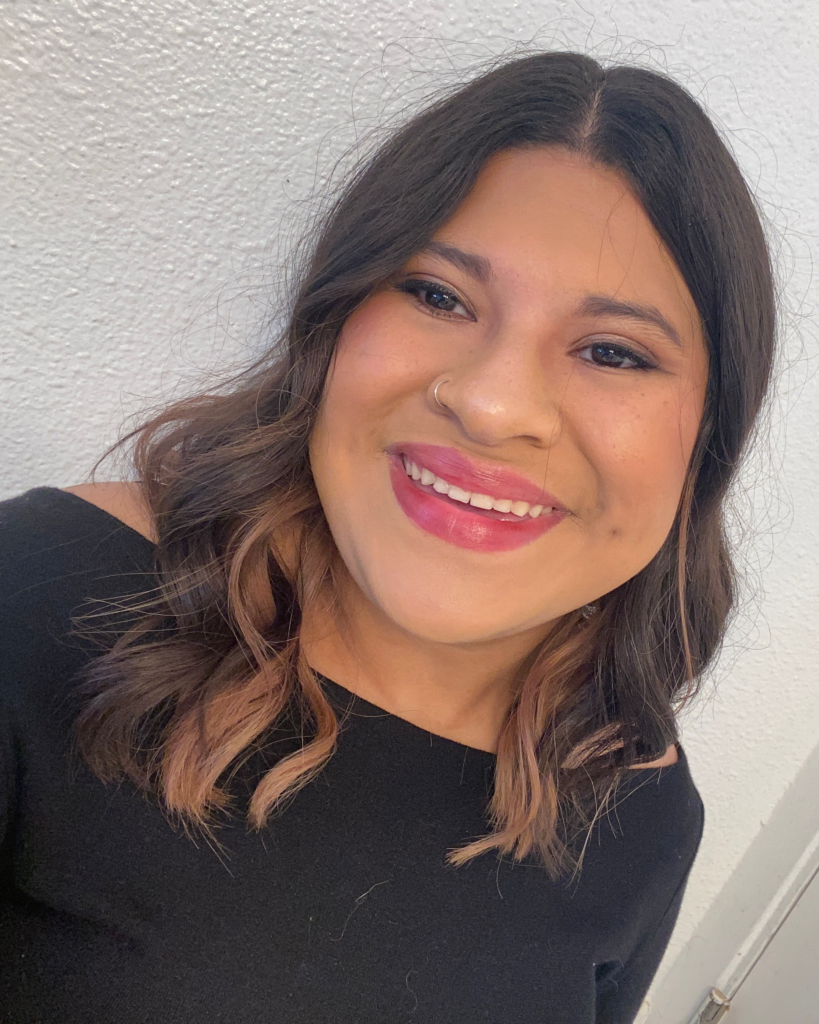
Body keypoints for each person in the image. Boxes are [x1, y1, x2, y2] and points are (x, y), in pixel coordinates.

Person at [0, 50, 776, 1023]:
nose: (492, 404)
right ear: (333, 323)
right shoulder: (38, 595)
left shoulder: (642, 812)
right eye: (438, 294)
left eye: (613, 351)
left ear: (708, 440)